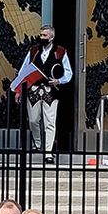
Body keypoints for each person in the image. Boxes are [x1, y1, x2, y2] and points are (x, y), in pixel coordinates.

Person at [17, 25, 72, 162]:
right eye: (41, 35)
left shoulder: (60, 52)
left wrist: (59, 81)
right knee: (34, 120)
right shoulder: (33, 51)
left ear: (51, 37)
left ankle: (48, 152)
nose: (41, 38)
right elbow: (23, 71)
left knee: (50, 122)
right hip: (34, 90)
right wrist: (18, 90)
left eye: (44, 36)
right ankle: (37, 143)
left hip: (51, 92)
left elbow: (69, 72)